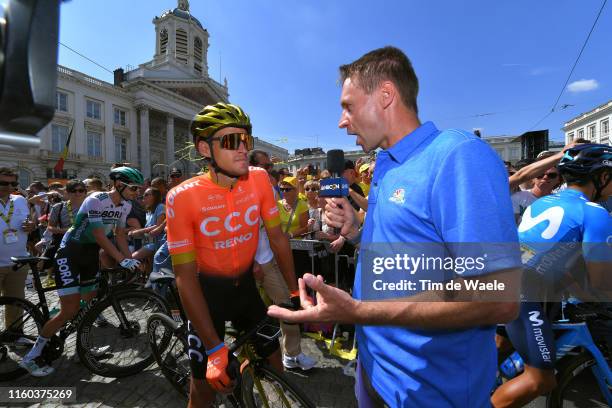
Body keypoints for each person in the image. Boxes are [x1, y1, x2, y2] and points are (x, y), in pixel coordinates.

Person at [268, 46, 522, 407]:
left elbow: (496, 294)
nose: (342, 121)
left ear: (385, 96)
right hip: (373, 373)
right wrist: (357, 233)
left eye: (348, 106)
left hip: (428, 392)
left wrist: (357, 312)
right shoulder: (387, 164)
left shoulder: (457, 155)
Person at [165, 102, 300, 407]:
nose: (242, 148)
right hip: (206, 298)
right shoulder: (182, 197)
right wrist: (213, 349)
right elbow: (184, 278)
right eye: (230, 141)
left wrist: (292, 291)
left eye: (246, 140)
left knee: (275, 367)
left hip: (247, 293)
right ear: (204, 148)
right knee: (202, 389)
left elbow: (277, 239)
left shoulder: (260, 179)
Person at [492, 144, 612, 407]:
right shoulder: (594, 212)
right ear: (601, 177)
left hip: (505, 279)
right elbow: (602, 281)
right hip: (525, 292)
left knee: (500, 349)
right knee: (540, 380)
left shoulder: (544, 201)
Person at [19, 167, 144, 376]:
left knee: (87, 306)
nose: (137, 192)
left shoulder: (125, 205)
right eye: (134, 188)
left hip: (89, 256)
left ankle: (82, 349)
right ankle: (31, 356)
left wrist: (131, 261)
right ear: (119, 185)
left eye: (139, 188)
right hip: (70, 254)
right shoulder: (96, 199)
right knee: (69, 310)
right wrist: (122, 259)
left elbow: (119, 234)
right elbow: (98, 234)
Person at [248, 149, 317, 371]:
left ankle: (292, 354)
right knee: (245, 315)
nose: (273, 172)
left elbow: (275, 235)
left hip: (268, 261)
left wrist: (288, 277)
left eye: (271, 167)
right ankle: (246, 358)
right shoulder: (239, 191)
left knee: (287, 305)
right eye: (267, 167)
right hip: (244, 265)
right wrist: (251, 263)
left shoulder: (271, 192)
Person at [0, 168, 36, 346]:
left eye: (13, 183)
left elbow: (30, 222)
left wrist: (31, 225)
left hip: (18, 261)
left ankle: (14, 335)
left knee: (16, 302)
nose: (9, 187)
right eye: (4, 183)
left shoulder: (20, 200)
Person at [128, 187, 166, 262]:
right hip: (147, 242)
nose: (143, 196)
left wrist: (138, 231)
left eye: (146, 195)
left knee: (132, 258)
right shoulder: (148, 212)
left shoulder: (160, 207)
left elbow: (158, 226)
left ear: (154, 197)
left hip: (156, 243)